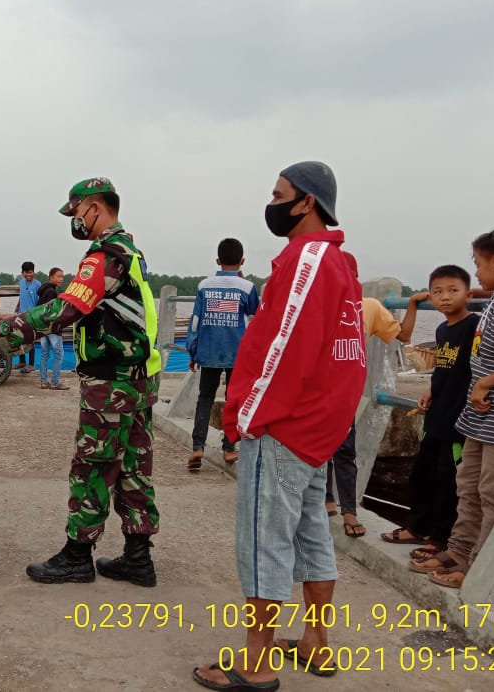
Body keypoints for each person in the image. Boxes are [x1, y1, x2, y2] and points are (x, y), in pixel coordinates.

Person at [193, 161, 366, 690]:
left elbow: (284, 346)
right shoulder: (340, 262)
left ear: (306, 201)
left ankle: (256, 663)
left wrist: (244, 417)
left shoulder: (305, 259)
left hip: (285, 426)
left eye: (278, 194)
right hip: (319, 427)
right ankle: (316, 642)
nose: (270, 204)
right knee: (312, 534)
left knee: (264, 540)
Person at [0, 178, 162, 587]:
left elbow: (68, 309)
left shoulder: (104, 255)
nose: (74, 220)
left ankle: (77, 556)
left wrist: (6, 328)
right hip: (138, 379)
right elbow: (86, 306)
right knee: (133, 468)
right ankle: (138, 557)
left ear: (94, 207)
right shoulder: (130, 252)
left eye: (75, 212)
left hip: (111, 384)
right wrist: (15, 318)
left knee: (92, 466)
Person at [410, 227, 494, 589]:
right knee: (467, 485)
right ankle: (459, 549)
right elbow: (485, 292)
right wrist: (440, 294)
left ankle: (482, 566)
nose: (477, 272)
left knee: (493, 494)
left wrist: (485, 383)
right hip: (483, 419)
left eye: (479, 264)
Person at [380, 265, 478, 558]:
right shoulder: (442, 329)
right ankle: (418, 527)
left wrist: (477, 293)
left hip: (459, 423)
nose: (445, 297)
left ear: (468, 295)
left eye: (453, 290)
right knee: (422, 476)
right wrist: (431, 391)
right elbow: (445, 370)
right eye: (437, 292)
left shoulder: (474, 326)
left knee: (449, 482)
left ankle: (440, 539)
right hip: (436, 418)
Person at [323, 251, 409, 539]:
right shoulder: (317, 304)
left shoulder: (368, 307)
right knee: (322, 449)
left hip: (344, 393)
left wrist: (413, 305)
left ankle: (347, 509)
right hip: (319, 391)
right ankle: (329, 500)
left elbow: (402, 335)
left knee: (343, 450)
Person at [185, 238, 259, 471]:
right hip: (238, 353)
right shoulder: (247, 288)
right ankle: (228, 448)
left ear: (217, 260)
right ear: (242, 261)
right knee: (232, 400)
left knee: (205, 397)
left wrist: (193, 351)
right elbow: (256, 320)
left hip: (209, 351)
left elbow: (195, 322)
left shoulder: (204, 286)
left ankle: (198, 446)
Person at [36, 267, 68, 390]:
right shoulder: (51, 292)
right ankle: (55, 382)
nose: (61, 279)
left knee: (44, 354)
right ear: (51, 277)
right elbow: (52, 312)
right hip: (52, 328)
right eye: (58, 276)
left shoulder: (44, 290)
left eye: (62, 276)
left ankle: (44, 382)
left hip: (42, 328)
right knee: (59, 354)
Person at [15, 261, 41, 372]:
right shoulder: (21, 282)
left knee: (30, 340)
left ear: (33, 272)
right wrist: (16, 309)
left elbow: (39, 302)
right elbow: (21, 297)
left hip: (31, 317)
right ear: (22, 273)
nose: (28, 275)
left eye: (30, 272)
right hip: (20, 315)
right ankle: (22, 361)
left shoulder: (38, 285)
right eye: (26, 272)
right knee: (18, 338)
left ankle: (31, 364)